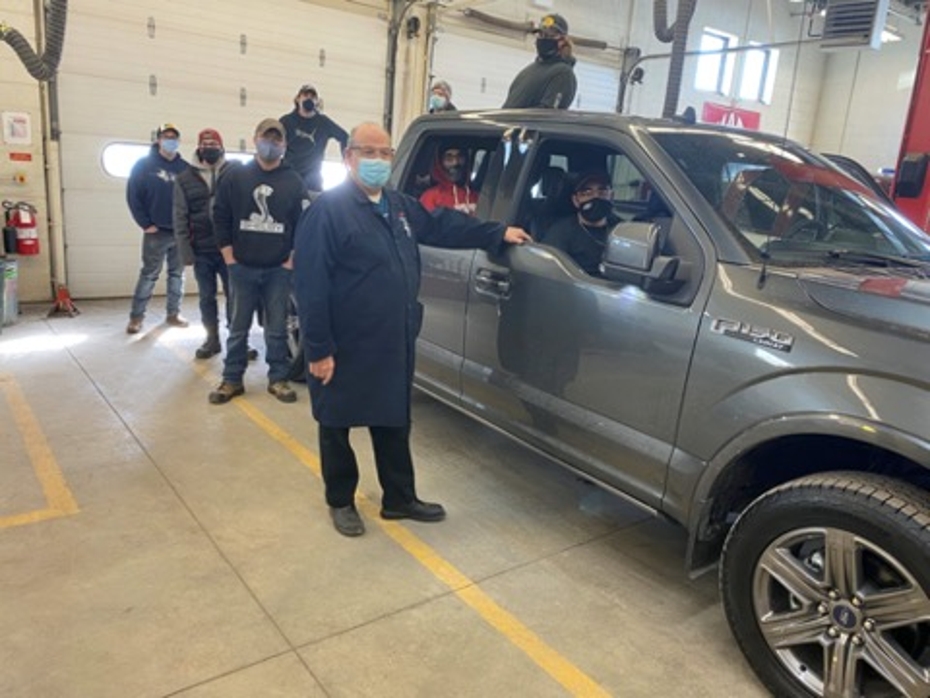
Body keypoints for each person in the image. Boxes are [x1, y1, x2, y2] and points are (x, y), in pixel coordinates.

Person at [293, 122, 531, 537]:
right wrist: (318, 350)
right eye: (369, 153)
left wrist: (496, 233)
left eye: (385, 154)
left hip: (392, 339)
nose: (378, 162)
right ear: (349, 157)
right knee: (336, 423)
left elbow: (443, 225)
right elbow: (311, 286)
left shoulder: (399, 206)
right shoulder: (327, 213)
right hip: (344, 343)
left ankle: (399, 498)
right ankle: (341, 501)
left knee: (393, 420)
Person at [209, 118, 308, 405]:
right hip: (242, 267)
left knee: (276, 329)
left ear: (285, 145)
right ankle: (231, 379)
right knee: (238, 328)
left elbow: (303, 224)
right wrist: (228, 256)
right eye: (267, 138)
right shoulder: (236, 176)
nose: (271, 144)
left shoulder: (294, 181)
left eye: (277, 140)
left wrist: (291, 260)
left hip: (278, 270)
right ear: (255, 139)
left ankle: (278, 379)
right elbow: (220, 216)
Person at [173, 128, 241, 359]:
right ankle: (211, 339)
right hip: (201, 249)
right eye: (206, 146)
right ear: (199, 148)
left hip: (231, 249)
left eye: (214, 146)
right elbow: (179, 216)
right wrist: (185, 252)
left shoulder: (235, 172)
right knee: (206, 297)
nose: (210, 149)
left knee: (235, 295)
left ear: (222, 148)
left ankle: (237, 340)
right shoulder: (184, 178)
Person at [125, 123, 189, 334]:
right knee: (149, 274)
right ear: (158, 140)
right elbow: (134, 196)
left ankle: (173, 314)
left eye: (174, 137)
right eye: (166, 136)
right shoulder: (144, 166)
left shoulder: (185, 168)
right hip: (156, 232)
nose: (170, 140)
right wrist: (145, 224)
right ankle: (136, 317)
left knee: (177, 275)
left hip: (179, 232)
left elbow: (194, 199)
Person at [544, 171, 621, 276]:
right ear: (576, 200)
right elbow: (549, 273)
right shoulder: (561, 232)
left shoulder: (621, 229)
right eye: (587, 193)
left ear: (611, 196)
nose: (595, 197)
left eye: (602, 192)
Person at [280, 83, 348, 193]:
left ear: (317, 101)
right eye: (305, 95)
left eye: (313, 97)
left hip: (313, 181)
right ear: (298, 99)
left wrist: (345, 159)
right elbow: (275, 141)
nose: (309, 98)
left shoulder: (323, 122)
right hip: (290, 178)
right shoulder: (286, 121)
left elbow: (344, 136)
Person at [502, 13, 577, 110]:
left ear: (562, 40)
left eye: (549, 35)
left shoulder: (563, 74)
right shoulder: (528, 71)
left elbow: (548, 115)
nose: (543, 39)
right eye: (541, 34)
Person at [418, 143, 477, 214]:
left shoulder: (476, 196)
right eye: (449, 158)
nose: (455, 162)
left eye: (460, 156)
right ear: (440, 163)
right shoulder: (430, 197)